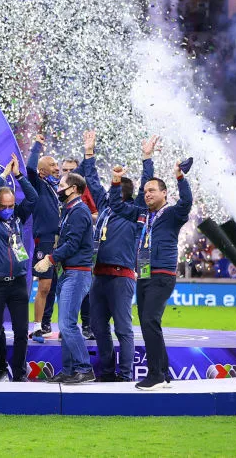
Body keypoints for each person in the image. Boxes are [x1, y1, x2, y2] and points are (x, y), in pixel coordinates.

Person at [108, 144, 193, 391]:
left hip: (162, 274)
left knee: (149, 320)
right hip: (143, 273)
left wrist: (180, 176)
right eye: (145, 191)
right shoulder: (142, 214)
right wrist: (115, 181)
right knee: (149, 322)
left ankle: (155, 374)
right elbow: (116, 206)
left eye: (152, 190)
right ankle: (164, 374)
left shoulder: (174, 213)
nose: (147, 194)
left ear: (164, 193)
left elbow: (187, 200)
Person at [88, 146, 149, 382]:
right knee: (98, 327)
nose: (108, 191)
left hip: (121, 277)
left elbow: (145, 188)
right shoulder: (105, 209)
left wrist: (146, 160)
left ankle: (124, 375)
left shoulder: (135, 211)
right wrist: (88, 155)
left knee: (123, 329)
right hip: (99, 275)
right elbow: (92, 183)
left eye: (113, 187)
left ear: (122, 194)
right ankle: (107, 372)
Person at [0, 154, 38, 382]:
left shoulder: (18, 217)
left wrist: (19, 175)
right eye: (4, 206)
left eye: (11, 206)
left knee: (22, 332)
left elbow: (33, 197)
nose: (9, 210)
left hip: (19, 282)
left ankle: (20, 375)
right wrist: (2, 175)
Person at [33, 172, 96, 384]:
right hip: (69, 271)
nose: (59, 188)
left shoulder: (79, 211)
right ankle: (69, 370)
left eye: (62, 185)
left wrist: (50, 259)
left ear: (74, 189)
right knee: (65, 325)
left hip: (77, 272)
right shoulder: (70, 210)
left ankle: (84, 368)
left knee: (67, 324)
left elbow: (73, 244)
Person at [26, 134, 62, 341]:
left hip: (60, 243)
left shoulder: (55, 189)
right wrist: (37, 145)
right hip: (46, 242)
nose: (57, 167)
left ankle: (53, 325)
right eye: (53, 164)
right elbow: (30, 168)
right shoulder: (38, 184)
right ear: (42, 171)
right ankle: (37, 327)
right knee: (45, 286)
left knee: (57, 286)